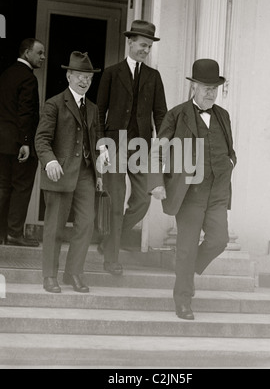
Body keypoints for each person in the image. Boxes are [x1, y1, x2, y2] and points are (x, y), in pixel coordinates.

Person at [149, 59, 237, 320]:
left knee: (219, 240)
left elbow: (230, 149)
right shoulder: (176, 115)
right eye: (205, 87)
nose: (210, 92)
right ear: (194, 87)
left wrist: (231, 162)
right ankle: (184, 300)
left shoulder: (223, 115)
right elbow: (158, 149)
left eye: (214, 87)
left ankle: (186, 271)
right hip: (189, 194)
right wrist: (156, 181)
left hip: (217, 192)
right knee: (186, 248)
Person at [97, 20, 167, 276]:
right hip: (114, 145)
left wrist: (164, 142)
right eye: (141, 45)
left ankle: (109, 241)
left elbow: (161, 113)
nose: (145, 50)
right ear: (130, 42)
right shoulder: (111, 73)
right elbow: (99, 111)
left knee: (141, 202)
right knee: (115, 203)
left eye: (149, 47)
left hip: (141, 148)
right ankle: (112, 259)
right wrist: (101, 144)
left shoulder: (153, 76)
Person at [35, 52, 101, 294]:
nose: (84, 82)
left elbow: (98, 137)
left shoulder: (93, 108)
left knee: (86, 224)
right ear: (69, 76)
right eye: (80, 76)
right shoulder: (54, 103)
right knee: (55, 226)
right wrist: (50, 161)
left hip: (85, 173)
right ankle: (49, 276)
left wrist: (102, 149)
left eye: (89, 78)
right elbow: (41, 139)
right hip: (59, 172)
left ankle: (73, 273)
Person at [0, 38, 45, 247]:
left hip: (3, 143)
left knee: (3, 187)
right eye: (39, 53)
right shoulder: (28, 78)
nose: (43, 57)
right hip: (19, 144)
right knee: (21, 187)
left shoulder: (6, 74)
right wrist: (26, 142)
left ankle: (3, 234)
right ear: (27, 53)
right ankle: (14, 233)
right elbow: (25, 112)